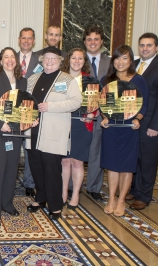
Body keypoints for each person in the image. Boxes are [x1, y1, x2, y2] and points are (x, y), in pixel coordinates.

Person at [25, 47, 82, 220]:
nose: (49, 62)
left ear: (60, 61)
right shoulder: (33, 78)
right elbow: (26, 101)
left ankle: (55, 205)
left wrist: (51, 107)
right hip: (33, 130)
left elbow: (76, 102)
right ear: (42, 60)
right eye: (46, 59)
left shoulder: (67, 80)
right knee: (36, 166)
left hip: (53, 132)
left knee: (51, 169)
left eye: (53, 59)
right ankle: (40, 197)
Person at [0, 47, 33, 228]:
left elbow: (24, 107)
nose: (10, 60)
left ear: (16, 61)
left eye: (13, 57)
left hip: (16, 134)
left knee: (12, 171)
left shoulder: (22, 82)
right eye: (6, 57)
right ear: (1, 61)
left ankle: (7, 204)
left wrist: (30, 120)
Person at [127, 33, 158, 210]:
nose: (145, 49)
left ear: (156, 47)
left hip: (151, 125)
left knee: (147, 161)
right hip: (133, 123)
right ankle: (134, 189)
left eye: (149, 45)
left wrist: (155, 126)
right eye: (142, 45)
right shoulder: (133, 65)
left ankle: (144, 195)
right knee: (135, 158)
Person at [100, 45, 149, 216]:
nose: (120, 62)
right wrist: (104, 118)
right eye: (117, 58)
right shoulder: (106, 80)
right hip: (111, 127)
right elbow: (102, 104)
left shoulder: (139, 80)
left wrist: (138, 119)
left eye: (125, 58)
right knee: (112, 166)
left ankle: (121, 201)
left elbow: (144, 105)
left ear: (130, 60)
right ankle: (111, 198)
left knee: (127, 166)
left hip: (129, 129)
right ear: (113, 60)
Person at [60, 48, 95, 209]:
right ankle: (63, 193)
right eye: (74, 58)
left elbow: (95, 104)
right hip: (63, 124)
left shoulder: (90, 81)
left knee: (77, 162)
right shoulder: (60, 79)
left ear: (84, 61)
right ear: (69, 60)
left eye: (80, 59)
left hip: (81, 125)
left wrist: (91, 113)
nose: (77, 61)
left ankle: (75, 196)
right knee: (65, 161)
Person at [84, 25, 111, 202]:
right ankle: (71, 187)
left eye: (96, 39)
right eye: (89, 39)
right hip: (80, 115)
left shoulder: (111, 63)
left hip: (101, 116)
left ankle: (94, 187)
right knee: (74, 154)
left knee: (96, 153)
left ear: (101, 41)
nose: (93, 42)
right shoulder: (77, 59)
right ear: (84, 42)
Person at [18, 27, 38, 197]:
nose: (26, 41)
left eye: (29, 38)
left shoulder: (41, 60)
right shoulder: (10, 58)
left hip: (32, 110)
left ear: (34, 41)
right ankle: (10, 179)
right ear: (19, 40)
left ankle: (29, 182)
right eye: (23, 38)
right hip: (14, 111)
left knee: (30, 148)